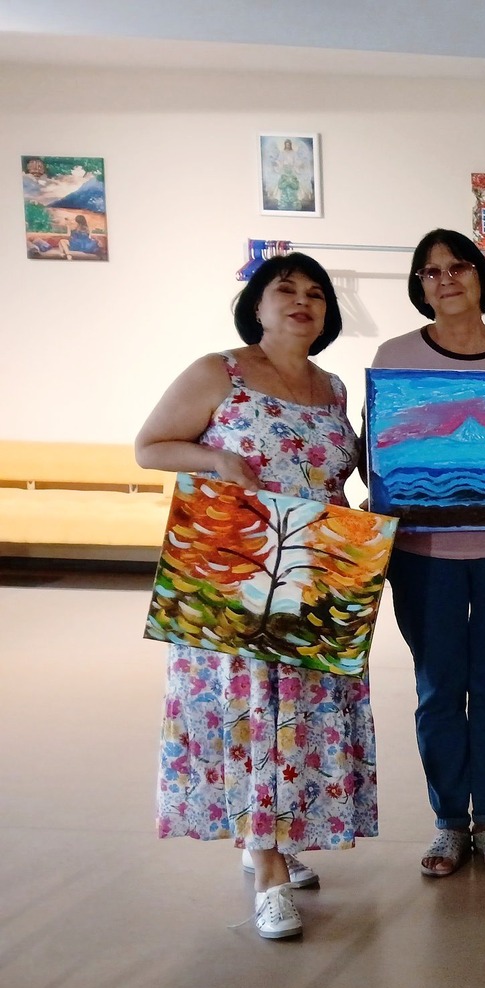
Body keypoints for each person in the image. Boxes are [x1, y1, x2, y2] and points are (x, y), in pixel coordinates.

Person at [135, 252, 374, 941]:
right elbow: (150, 446)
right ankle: (268, 872)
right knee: (253, 711)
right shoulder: (221, 371)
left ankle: (269, 834)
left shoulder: (333, 388)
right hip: (236, 569)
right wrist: (215, 458)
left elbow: (338, 474)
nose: (302, 301)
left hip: (314, 573)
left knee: (298, 713)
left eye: (316, 293)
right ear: (257, 306)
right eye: (285, 289)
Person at [371, 229, 485, 877]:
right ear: (419, 286)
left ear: (481, 276)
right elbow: (376, 457)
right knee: (439, 688)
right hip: (423, 555)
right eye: (431, 271)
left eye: (458, 267)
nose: (446, 279)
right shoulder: (394, 356)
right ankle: (450, 820)